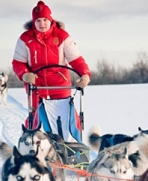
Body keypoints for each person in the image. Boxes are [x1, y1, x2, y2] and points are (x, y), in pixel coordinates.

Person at [12, 1, 91, 138]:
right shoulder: (25, 39)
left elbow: (76, 60)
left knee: (64, 120)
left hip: (59, 86)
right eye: (38, 20)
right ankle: (32, 145)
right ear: (33, 21)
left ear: (51, 19)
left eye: (45, 20)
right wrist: (25, 75)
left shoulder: (62, 36)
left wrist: (84, 75)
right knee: (35, 118)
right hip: (36, 86)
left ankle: (68, 147)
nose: (42, 23)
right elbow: (18, 63)